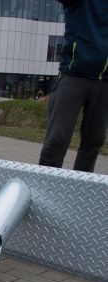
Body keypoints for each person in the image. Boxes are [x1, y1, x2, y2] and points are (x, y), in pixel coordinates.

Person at [38, 0, 107, 173]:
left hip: (105, 80)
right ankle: (46, 183)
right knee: (58, 137)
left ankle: (82, 185)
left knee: (94, 140)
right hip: (73, 73)